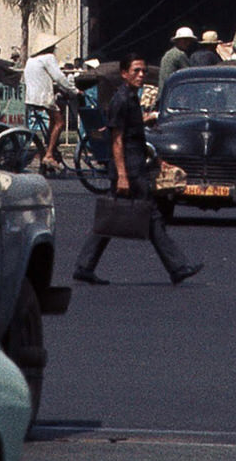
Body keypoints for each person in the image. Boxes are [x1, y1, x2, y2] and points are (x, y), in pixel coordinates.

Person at [73, 53, 203, 286]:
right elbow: (117, 139)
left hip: (135, 163)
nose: (141, 75)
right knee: (149, 215)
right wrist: (122, 175)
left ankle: (85, 266)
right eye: (136, 71)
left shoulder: (131, 98)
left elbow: (136, 137)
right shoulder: (121, 100)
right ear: (124, 74)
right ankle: (177, 267)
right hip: (128, 168)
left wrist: (156, 160)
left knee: (113, 217)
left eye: (143, 71)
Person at [22, 33, 77, 173]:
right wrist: (73, 90)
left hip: (32, 97)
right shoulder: (48, 58)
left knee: (52, 122)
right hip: (43, 97)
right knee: (60, 123)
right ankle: (49, 154)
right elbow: (59, 77)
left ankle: (50, 147)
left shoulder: (31, 60)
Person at [157, 25, 197, 94]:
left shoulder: (169, 53)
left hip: (164, 93)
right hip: (171, 94)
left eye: (189, 40)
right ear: (177, 41)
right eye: (184, 40)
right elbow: (189, 75)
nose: (187, 43)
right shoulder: (179, 55)